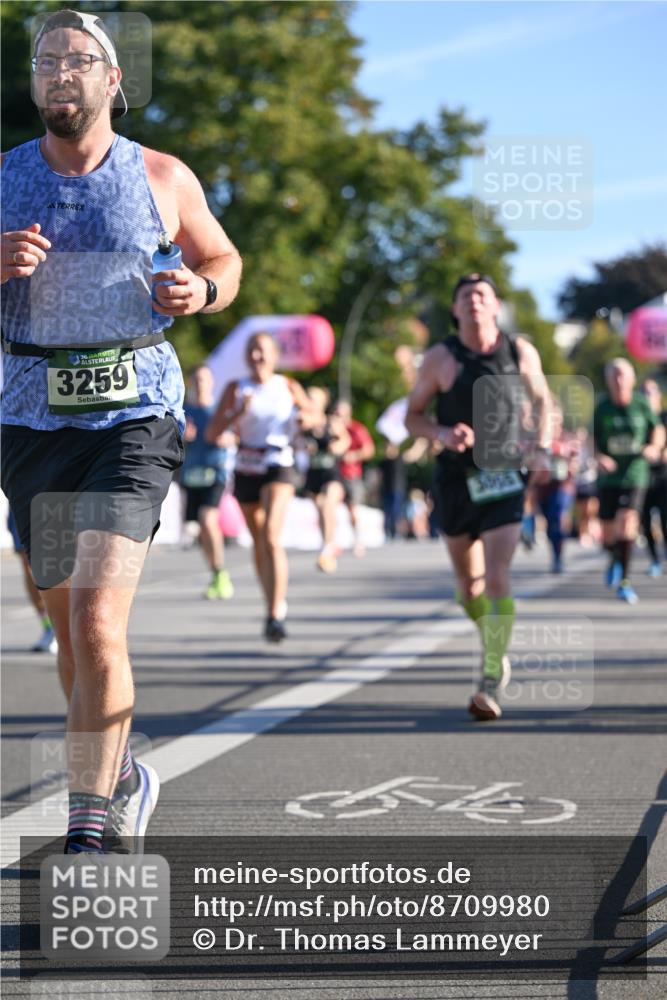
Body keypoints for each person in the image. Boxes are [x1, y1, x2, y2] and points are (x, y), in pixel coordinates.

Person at [0, 9, 242, 853]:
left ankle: (88, 827)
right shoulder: (3, 177)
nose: (58, 71)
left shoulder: (163, 176)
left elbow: (223, 260)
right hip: (30, 418)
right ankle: (123, 773)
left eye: (77, 59)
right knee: (71, 632)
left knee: (99, 622)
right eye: (45, 60)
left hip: (134, 412)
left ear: (112, 81)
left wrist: (200, 293)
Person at [405, 274, 552, 722]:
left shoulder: (519, 352)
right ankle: (495, 643)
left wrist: (542, 447)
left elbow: (544, 402)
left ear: (495, 306)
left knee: (497, 576)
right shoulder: (440, 358)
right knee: (468, 588)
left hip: (504, 476)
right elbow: (412, 417)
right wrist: (442, 433)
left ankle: (490, 676)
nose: (474, 301)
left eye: (482, 295)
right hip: (455, 479)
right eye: (465, 296)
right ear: (455, 309)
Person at [206, 332, 312, 642]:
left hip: (279, 462)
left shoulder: (288, 386)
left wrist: (305, 419)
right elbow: (212, 433)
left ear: (275, 356)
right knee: (259, 541)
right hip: (246, 465)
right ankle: (270, 605)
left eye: (262, 350)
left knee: (271, 536)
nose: (256, 356)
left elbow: (314, 417)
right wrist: (237, 413)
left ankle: (277, 612)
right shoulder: (236, 388)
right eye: (252, 350)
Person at [594, 360, 662, 604]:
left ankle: (624, 581)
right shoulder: (602, 407)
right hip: (609, 477)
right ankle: (613, 557)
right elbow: (592, 439)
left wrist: (654, 447)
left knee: (628, 522)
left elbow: (658, 429)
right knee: (608, 532)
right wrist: (599, 457)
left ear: (632, 379)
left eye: (623, 375)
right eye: (614, 375)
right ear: (608, 380)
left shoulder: (641, 404)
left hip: (635, 473)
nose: (619, 380)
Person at [182, 365, 234, 600]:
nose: (200, 383)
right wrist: (182, 438)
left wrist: (228, 438)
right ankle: (217, 573)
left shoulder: (219, 409)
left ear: (212, 382)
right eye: (196, 379)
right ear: (191, 383)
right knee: (200, 529)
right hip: (191, 476)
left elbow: (237, 433)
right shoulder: (184, 410)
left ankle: (220, 573)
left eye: (204, 379)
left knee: (207, 519)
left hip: (216, 474)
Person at [301, 387, 351, 573]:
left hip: (332, 473)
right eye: (308, 398)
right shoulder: (303, 423)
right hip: (314, 473)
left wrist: (337, 446)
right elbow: (295, 441)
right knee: (320, 508)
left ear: (323, 403)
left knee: (327, 503)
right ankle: (327, 543)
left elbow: (345, 440)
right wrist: (303, 446)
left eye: (314, 399)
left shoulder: (331, 423)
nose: (310, 402)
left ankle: (327, 547)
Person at [534, 400, 579, 573]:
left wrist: (570, 458)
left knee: (558, 517)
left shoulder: (567, 437)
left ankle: (559, 557)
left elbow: (575, 456)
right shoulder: (539, 439)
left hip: (563, 486)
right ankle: (555, 554)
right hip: (543, 486)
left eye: (555, 418)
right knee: (549, 522)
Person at [7, 509, 58, 654]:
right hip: (21, 499)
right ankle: (50, 627)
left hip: (60, 498)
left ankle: (65, 625)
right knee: (28, 561)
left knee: (61, 558)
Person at [331, 399, 375, 557]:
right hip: (333, 474)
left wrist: (353, 456)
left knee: (352, 509)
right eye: (336, 414)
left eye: (341, 414)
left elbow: (369, 450)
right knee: (330, 507)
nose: (339, 417)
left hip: (351, 474)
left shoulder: (356, 429)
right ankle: (332, 542)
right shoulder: (331, 429)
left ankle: (358, 540)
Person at [639, 379, 667, 577]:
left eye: (650, 392)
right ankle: (655, 560)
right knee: (645, 520)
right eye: (643, 392)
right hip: (642, 476)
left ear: (658, 395)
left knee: (665, 520)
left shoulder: (664, 417)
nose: (647, 396)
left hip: (664, 476)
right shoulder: (637, 418)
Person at [378, 441, 407, 541]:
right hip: (386, 490)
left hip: (398, 489)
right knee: (387, 512)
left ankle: (398, 532)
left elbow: (412, 455)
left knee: (397, 511)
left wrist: (420, 444)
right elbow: (379, 476)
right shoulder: (383, 462)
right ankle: (388, 532)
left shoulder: (399, 459)